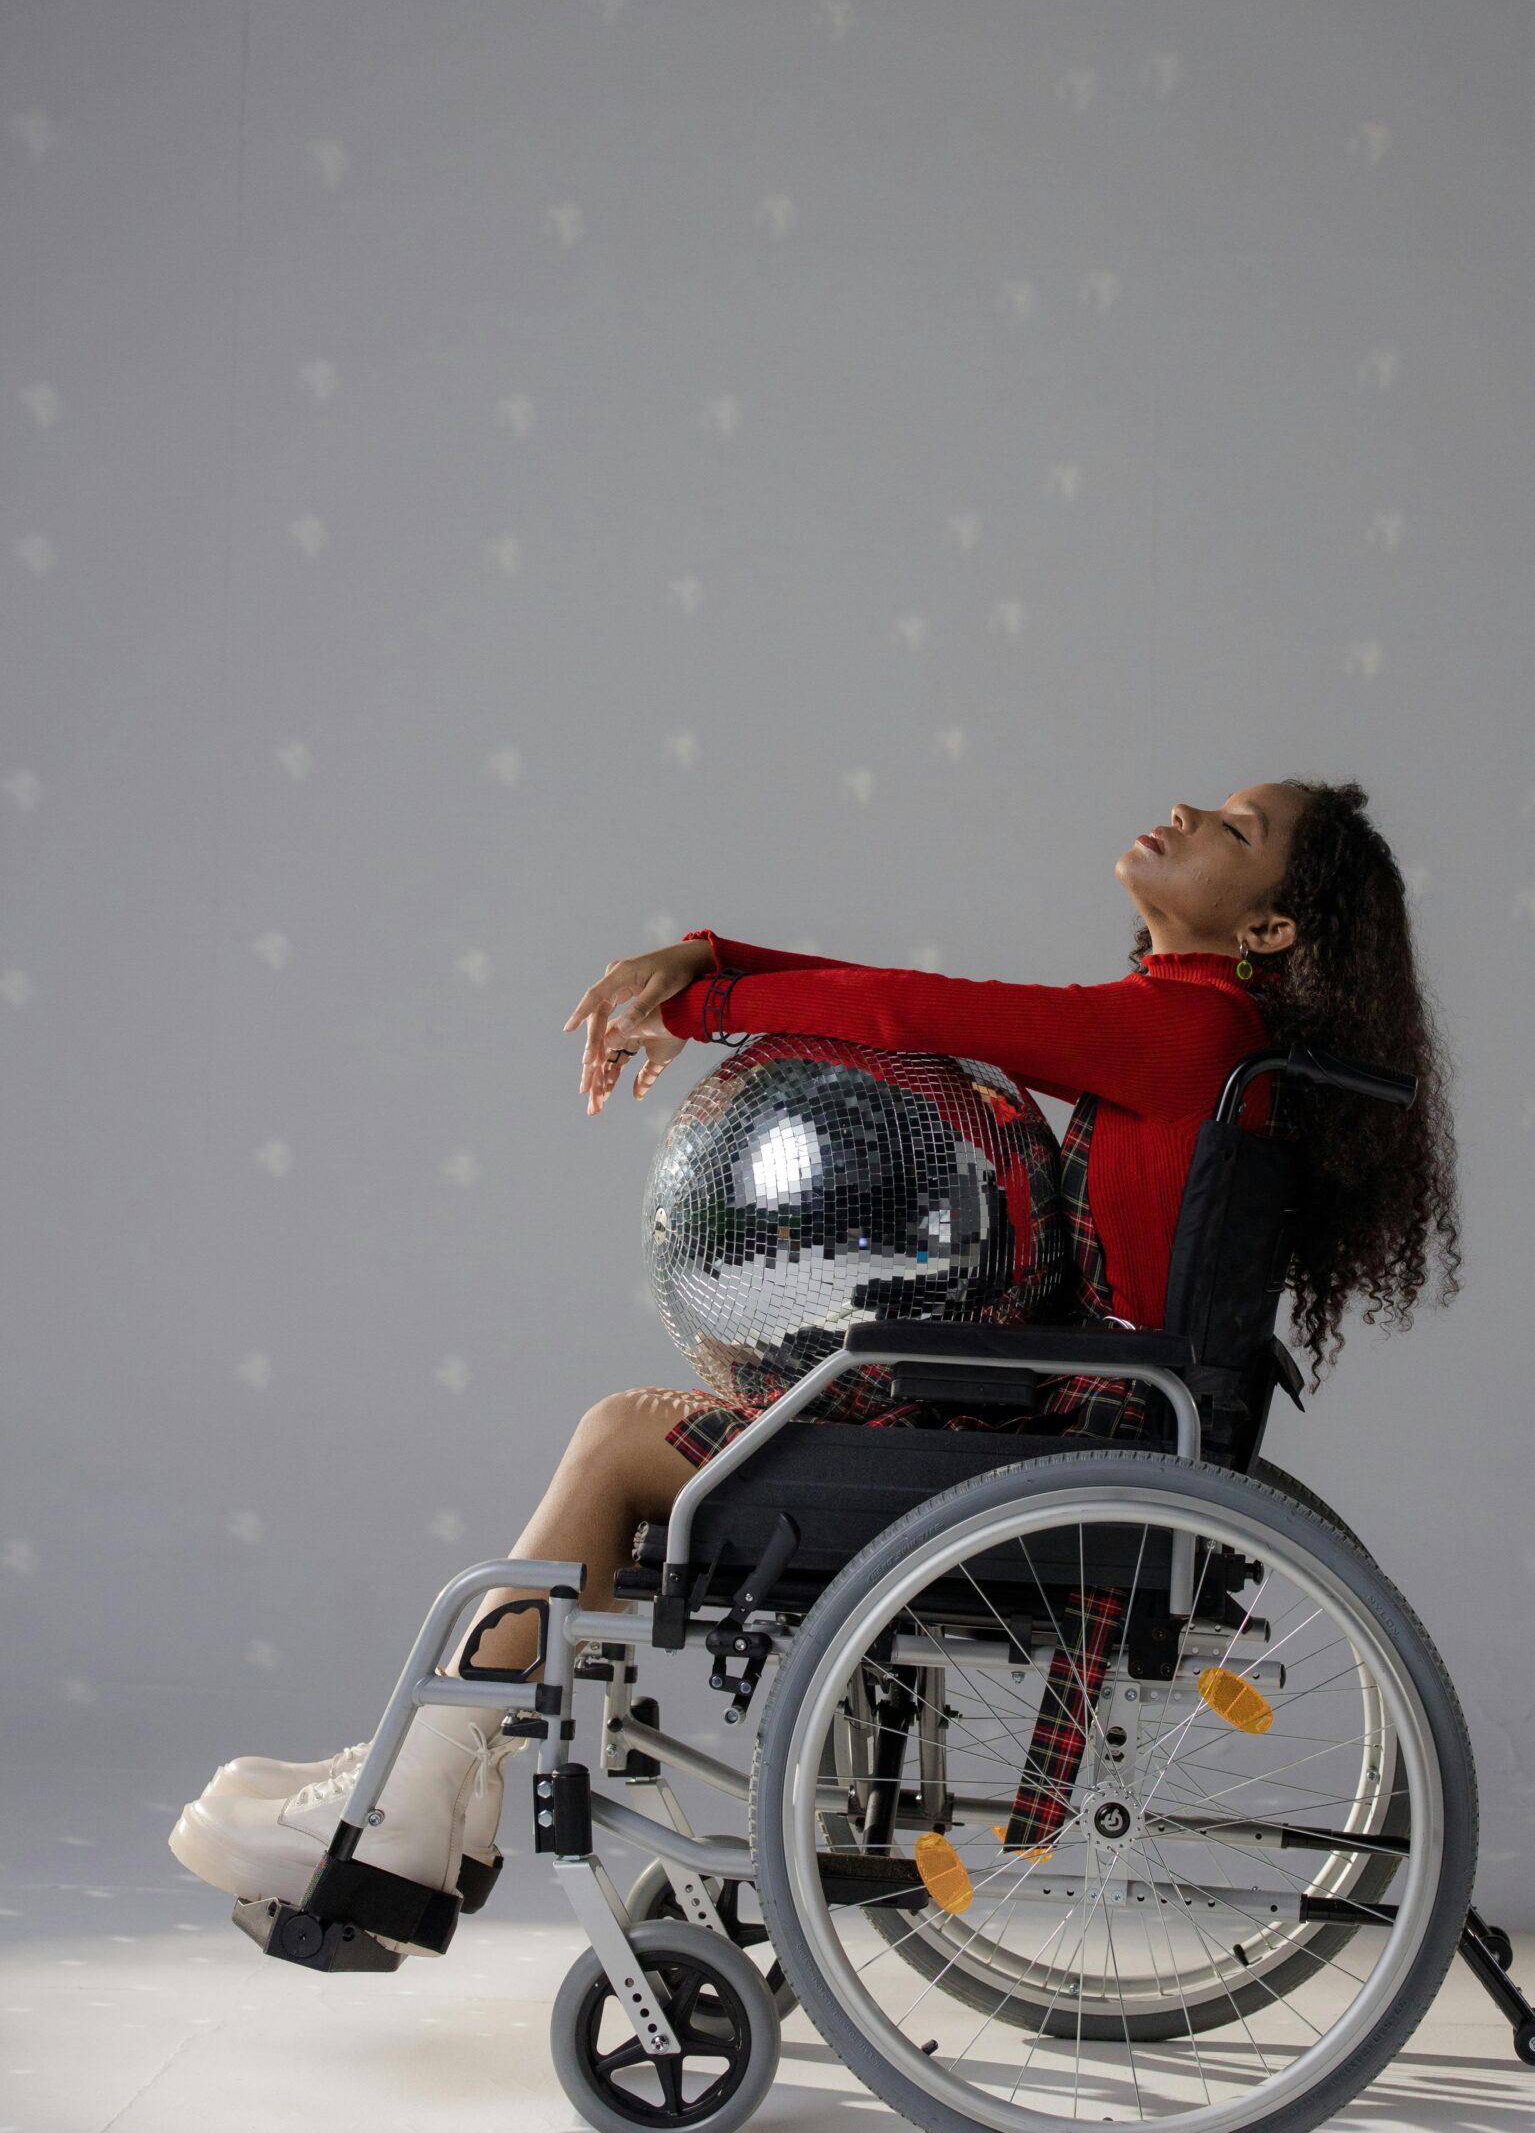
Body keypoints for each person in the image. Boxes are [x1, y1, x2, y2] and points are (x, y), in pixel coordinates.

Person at [168, 775, 1462, 1927]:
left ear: (1269, 928)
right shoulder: (1201, 1031)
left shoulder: (1187, 1024)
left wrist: (713, 991)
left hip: (1053, 1452)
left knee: (622, 1440)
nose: (1183, 812)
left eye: (1233, 829)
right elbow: (917, 1007)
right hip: (1077, 1438)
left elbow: (912, 1009)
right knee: (631, 1433)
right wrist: (709, 961)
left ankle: (412, 1796)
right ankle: (434, 1779)